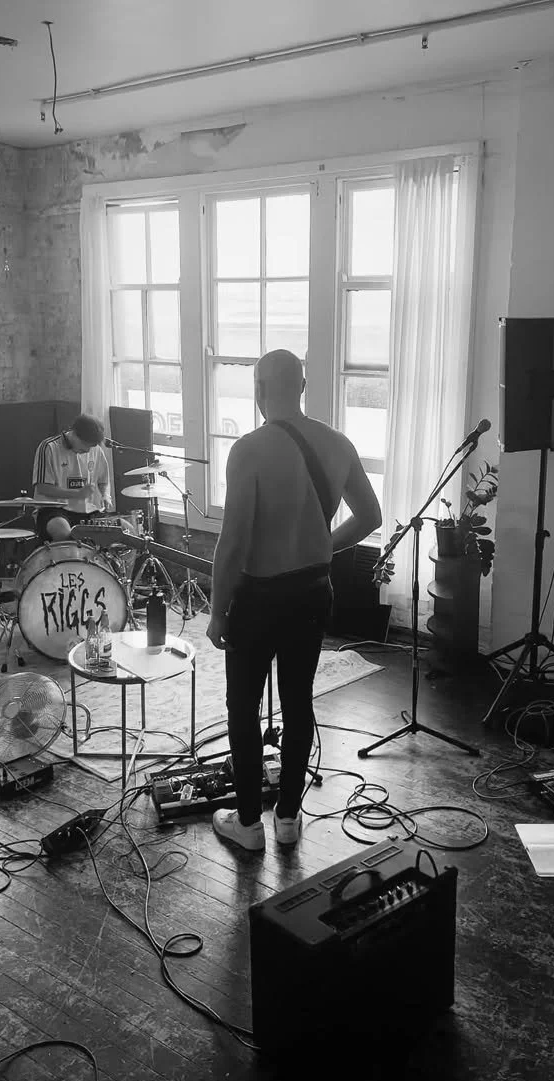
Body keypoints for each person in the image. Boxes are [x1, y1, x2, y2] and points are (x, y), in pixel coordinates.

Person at [207, 348, 382, 851]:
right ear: (302, 387)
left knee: (243, 708)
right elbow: (370, 516)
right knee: (298, 702)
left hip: (258, 598)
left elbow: (233, 543)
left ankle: (247, 825)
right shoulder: (338, 443)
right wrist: (324, 543)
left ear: (259, 389)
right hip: (313, 591)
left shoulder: (249, 449)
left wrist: (217, 612)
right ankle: (288, 816)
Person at [32, 414, 113, 542]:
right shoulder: (49, 447)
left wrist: (105, 496)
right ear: (74, 433)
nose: (87, 450)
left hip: (89, 511)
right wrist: (77, 494)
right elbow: (42, 487)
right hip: (54, 510)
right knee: (64, 533)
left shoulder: (96, 450)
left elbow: (103, 481)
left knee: (124, 530)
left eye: (91, 447)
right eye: (85, 444)